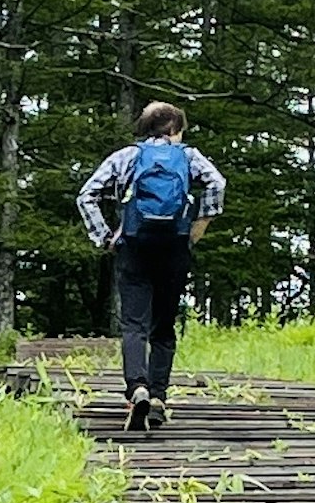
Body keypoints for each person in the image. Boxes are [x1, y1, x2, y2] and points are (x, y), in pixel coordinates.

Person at [76, 99, 225, 430]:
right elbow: (217, 183)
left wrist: (105, 237)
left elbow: (86, 195)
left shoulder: (126, 156)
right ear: (173, 128)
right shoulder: (188, 157)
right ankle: (158, 398)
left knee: (133, 325)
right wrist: (199, 227)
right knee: (164, 326)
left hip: (134, 246)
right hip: (174, 246)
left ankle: (137, 388)